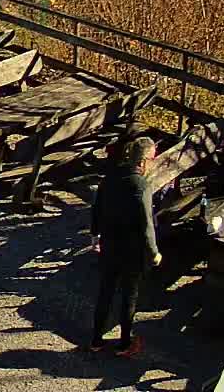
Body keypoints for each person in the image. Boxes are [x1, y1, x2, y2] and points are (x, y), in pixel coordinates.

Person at [87, 136, 161, 358]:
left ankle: (96, 340)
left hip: (109, 244)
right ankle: (124, 343)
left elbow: (97, 207)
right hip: (132, 250)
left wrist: (94, 236)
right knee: (129, 295)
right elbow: (147, 223)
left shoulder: (110, 177)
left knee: (105, 292)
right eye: (153, 158)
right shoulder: (141, 186)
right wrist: (154, 252)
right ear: (144, 161)